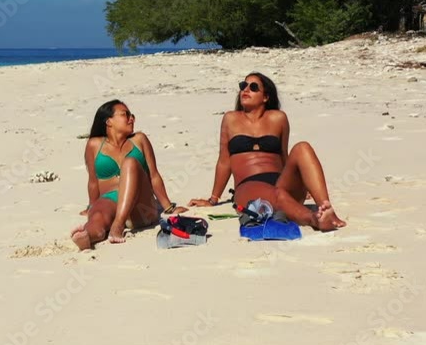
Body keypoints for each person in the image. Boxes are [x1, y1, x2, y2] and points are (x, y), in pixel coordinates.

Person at [189, 72, 347, 231]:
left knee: (302, 147)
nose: (246, 90)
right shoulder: (231, 119)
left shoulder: (278, 118)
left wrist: (301, 185)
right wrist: (213, 199)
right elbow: (224, 161)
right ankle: (315, 219)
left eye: (253, 87)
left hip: (280, 180)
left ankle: (326, 208)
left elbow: (285, 157)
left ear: (265, 97)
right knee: (278, 195)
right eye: (243, 86)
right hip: (249, 184)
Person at [71, 100, 187, 250]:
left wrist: (168, 207)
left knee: (130, 163)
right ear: (109, 121)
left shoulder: (139, 140)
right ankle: (87, 236)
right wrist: (92, 206)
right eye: (125, 114)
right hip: (109, 199)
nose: (131, 118)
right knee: (98, 217)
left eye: (132, 115)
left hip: (141, 205)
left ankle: (118, 226)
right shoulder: (94, 144)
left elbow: (154, 176)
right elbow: (93, 181)